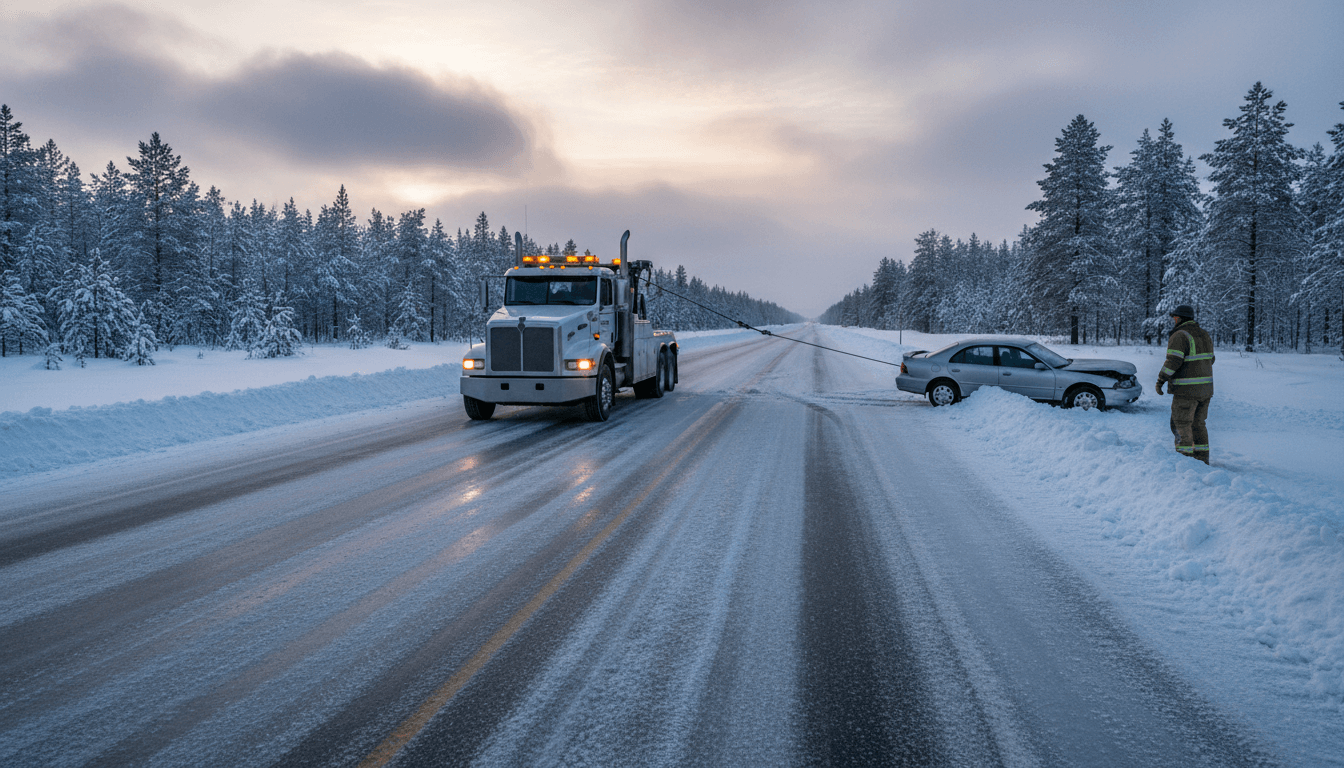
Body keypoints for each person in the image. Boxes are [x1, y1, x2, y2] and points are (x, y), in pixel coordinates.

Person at [1155, 304, 1215, 464]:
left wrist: (1161, 380)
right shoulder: (1204, 334)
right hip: (1206, 390)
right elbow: (1211, 359)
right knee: (1198, 425)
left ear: (1179, 318)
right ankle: (1202, 459)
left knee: (1181, 424)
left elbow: (1173, 361)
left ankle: (1185, 463)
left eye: (1175, 317)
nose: (1173, 320)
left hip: (1186, 392)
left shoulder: (1180, 335)